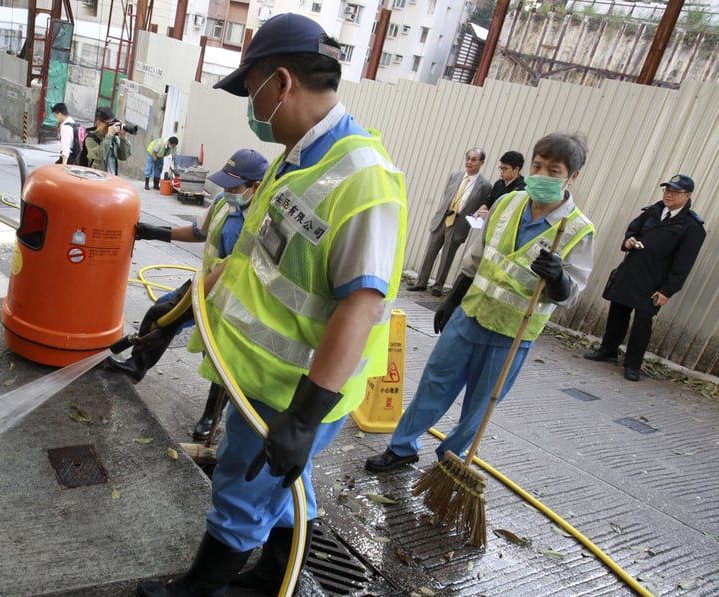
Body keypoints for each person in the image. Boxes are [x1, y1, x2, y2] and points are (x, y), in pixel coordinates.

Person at [136, 13, 407, 597]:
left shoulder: (365, 180)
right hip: (260, 377)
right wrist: (183, 308)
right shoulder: (297, 156)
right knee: (286, 486)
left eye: (251, 89)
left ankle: (197, 591)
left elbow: (359, 308)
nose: (250, 107)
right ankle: (273, 577)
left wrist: (304, 418)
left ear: (281, 82)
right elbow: (254, 262)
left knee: (242, 487)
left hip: (295, 391)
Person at [365, 132, 596, 475]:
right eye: (537, 166)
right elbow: (477, 258)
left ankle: (450, 461)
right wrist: (452, 299)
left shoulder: (577, 229)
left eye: (553, 170)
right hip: (469, 315)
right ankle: (402, 448)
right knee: (435, 383)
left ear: (572, 177)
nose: (541, 175)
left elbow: (570, 293)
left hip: (512, 332)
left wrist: (558, 277)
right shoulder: (508, 203)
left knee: (481, 404)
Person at [108, 148, 270, 441]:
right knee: (161, 312)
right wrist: (156, 232)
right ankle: (136, 366)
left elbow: (237, 265)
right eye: (225, 185)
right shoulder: (223, 202)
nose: (227, 191)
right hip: (207, 282)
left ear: (255, 186)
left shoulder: (264, 220)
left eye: (235, 187)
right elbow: (198, 232)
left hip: (237, 298)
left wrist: (194, 301)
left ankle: (210, 417)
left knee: (220, 355)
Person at [584, 174, 705, 382]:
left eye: (675, 192)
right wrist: (629, 240)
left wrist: (668, 290)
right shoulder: (652, 211)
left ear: (687, 196)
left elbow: (683, 264)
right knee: (617, 312)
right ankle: (608, 350)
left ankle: (633, 364)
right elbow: (633, 230)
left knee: (642, 322)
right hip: (632, 271)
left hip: (654, 282)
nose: (668, 195)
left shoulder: (692, 227)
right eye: (667, 190)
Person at [408, 148, 492, 297]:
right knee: (430, 251)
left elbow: (481, 205)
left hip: (458, 222)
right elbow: (447, 194)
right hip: (443, 217)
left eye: (474, 159)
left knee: (447, 256)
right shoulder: (455, 175)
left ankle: (438, 286)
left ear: (481, 162)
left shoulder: (484, 185)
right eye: (468, 158)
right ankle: (421, 282)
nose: (469, 162)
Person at [85, 106, 131, 174]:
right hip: (96, 180)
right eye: (108, 124)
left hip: (111, 180)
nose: (110, 127)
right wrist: (109, 135)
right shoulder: (90, 139)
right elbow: (100, 155)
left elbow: (123, 156)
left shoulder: (113, 138)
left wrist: (123, 139)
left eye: (112, 123)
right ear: (98, 123)